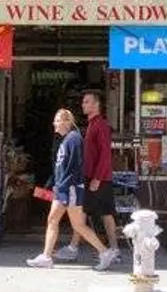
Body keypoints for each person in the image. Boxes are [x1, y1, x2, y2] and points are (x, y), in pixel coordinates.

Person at [26, 109, 118, 270]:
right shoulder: (64, 140)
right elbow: (60, 168)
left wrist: (64, 186)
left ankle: (104, 251)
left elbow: (76, 167)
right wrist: (52, 186)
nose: (54, 123)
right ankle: (46, 256)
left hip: (70, 189)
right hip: (63, 189)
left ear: (67, 121)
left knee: (78, 225)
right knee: (53, 220)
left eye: (57, 120)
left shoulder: (74, 139)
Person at [54, 91, 119, 263]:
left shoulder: (101, 125)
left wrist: (97, 178)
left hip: (99, 178)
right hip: (90, 177)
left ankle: (112, 249)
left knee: (105, 213)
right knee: (83, 213)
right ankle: (76, 247)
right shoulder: (92, 124)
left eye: (86, 101)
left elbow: (105, 154)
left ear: (96, 104)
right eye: (83, 102)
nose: (83, 104)